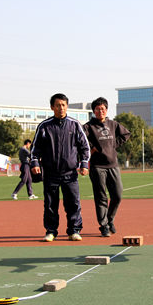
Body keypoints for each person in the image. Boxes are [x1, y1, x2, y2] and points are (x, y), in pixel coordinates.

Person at [31, 93, 90, 242]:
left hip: (70, 173)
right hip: (51, 173)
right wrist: (35, 163)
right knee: (50, 204)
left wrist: (84, 164)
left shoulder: (75, 124)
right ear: (52, 107)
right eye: (57, 105)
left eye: (63, 105)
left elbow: (85, 147)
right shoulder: (44, 126)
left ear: (67, 106)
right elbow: (35, 148)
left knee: (73, 202)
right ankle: (51, 231)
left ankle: (74, 230)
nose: (61, 108)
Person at [83, 97, 131, 237]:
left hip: (113, 164)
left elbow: (126, 134)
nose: (100, 111)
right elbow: (80, 140)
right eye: (97, 109)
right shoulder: (88, 126)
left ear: (106, 110)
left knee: (117, 195)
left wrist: (113, 145)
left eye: (103, 108)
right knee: (101, 197)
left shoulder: (113, 124)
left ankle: (110, 220)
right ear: (93, 111)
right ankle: (103, 225)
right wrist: (91, 148)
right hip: (98, 166)